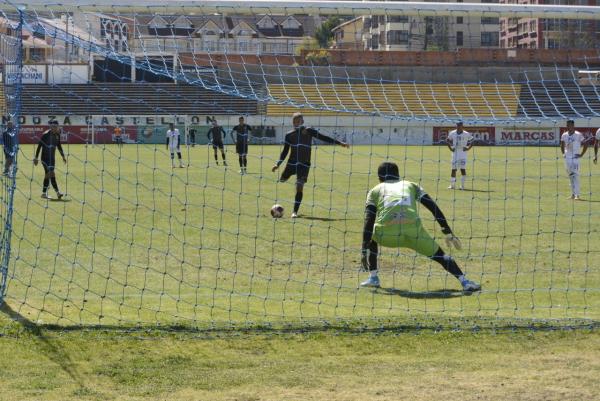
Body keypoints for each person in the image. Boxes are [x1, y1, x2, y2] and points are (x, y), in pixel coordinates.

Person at [360, 162, 481, 292]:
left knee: (372, 236)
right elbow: (433, 207)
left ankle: (373, 277)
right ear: (398, 175)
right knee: (441, 256)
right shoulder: (410, 185)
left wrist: (364, 249)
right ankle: (465, 282)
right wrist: (447, 232)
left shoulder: (375, 190)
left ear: (379, 177)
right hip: (414, 232)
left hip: (388, 234)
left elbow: (369, 220)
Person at [271, 112, 349, 218]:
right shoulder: (289, 135)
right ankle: (286, 175)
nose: (297, 123)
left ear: (302, 121)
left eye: (299, 121)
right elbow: (285, 151)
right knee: (283, 179)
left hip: (304, 164)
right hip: (292, 163)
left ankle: (294, 212)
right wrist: (278, 164)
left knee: (299, 186)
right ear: (292, 122)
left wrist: (339, 143)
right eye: (295, 121)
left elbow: (323, 137)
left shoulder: (308, 131)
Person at [34, 121, 66, 199]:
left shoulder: (57, 135)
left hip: (52, 159)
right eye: (53, 126)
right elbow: (39, 146)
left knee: (49, 174)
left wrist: (63, 156)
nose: (55, 128)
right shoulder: (45, 135)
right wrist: (36, 157)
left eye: (56, 126)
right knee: (51, 173)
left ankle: (44, 193)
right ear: (50, 126)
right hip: (44, 158)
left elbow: (59, 146)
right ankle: (57, 192)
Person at [560, 120, 587, 200]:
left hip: (575, 158)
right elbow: (562, 144)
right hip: (567, 158)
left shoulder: (578, 134)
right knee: (570, 176)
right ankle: (572, 194)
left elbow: (585, 144)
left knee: (576, 175)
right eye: (567, 125)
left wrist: (581, 154)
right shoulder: (564, 134)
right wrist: (563, 154)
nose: (568, 126)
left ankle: (577, 195)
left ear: (573, 125)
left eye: (570, 125)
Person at [446, 121, 474, 190]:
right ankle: (452, 186)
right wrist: (450, 148)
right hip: (455, 153)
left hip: (463, 153)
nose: (458, 127)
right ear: (456, 126)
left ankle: (462, 186)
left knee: (462, 169)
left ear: (462, 126)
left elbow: (472, 140)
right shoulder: (452, 133)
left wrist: (468, 148)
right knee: (453, 169)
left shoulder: (466, 134)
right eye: (457, 125)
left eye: (460, 125)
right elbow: (447, 140)